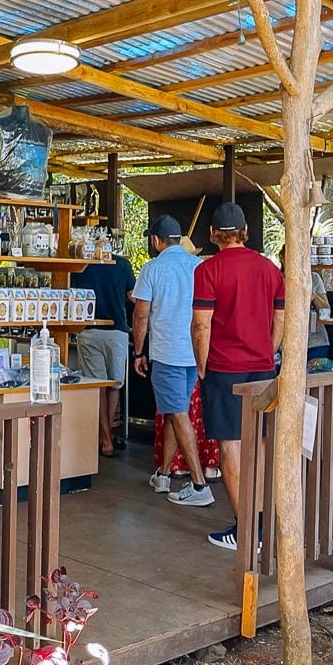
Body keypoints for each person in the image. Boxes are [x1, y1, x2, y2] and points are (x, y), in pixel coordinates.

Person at [191, 202, 284, 551]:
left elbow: (201, 324)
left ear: (214, 234)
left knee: (230, 445)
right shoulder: (270, 269)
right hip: (262, 368)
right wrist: (267, 351)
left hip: (223, 367)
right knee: (258, 443)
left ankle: (247, 532)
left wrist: (202, 365)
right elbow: (281, 321)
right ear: (245, 231)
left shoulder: (208, 270)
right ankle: (259, 523)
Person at [131, 214, 212, 506]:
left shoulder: (151, 269)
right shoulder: (199, 266)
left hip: (166, 353)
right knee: (172, 410)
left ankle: (200, 485)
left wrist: (139, 351)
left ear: (155, 240)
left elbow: (141, 316)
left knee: (177, 413)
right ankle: (163, 475)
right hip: (193, 353)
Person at [72, 250, 135, 457]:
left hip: (87, 330)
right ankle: (106, 436)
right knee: (115, 384)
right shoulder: (123, 264)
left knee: (97, 385)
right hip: (117, 330)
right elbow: (131, 295)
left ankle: (104, 436)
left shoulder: (82, 263)